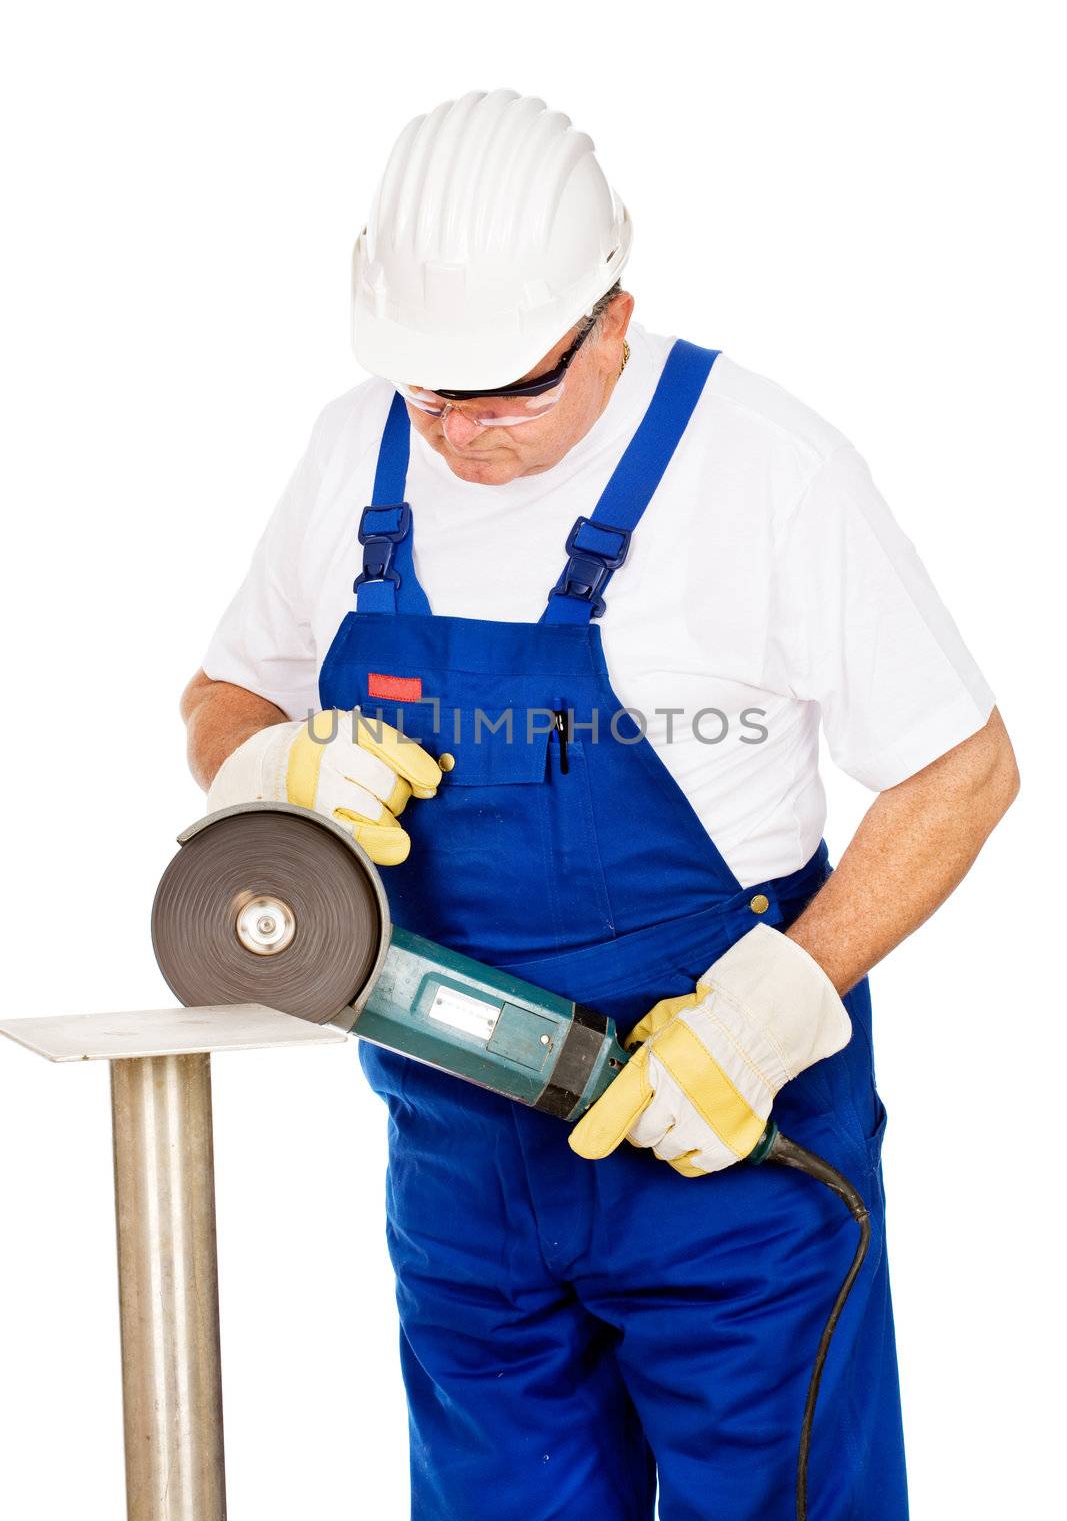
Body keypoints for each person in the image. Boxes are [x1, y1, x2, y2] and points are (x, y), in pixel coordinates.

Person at [182, 90, 1018, 1520]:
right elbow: (223, 695)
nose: (459, 435)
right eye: (428, 392)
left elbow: (964, 767)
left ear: (610, 323)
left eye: (507, 391)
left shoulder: (766, 470)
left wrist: (777, 1002)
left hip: (727, 1143)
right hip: (458, 1159)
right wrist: (263, 776)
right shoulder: (354, 452)